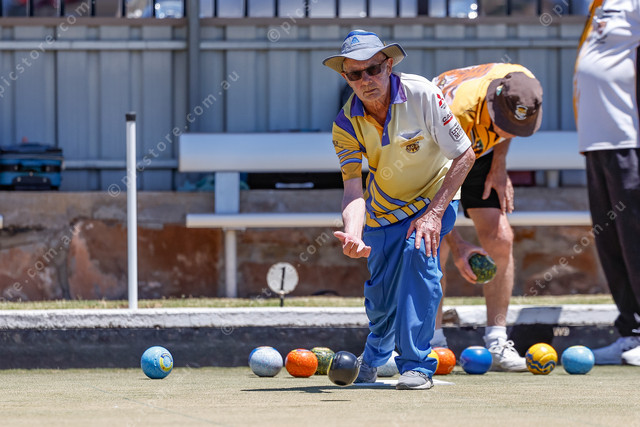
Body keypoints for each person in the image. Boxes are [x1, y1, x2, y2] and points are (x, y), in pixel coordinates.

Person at [323, 30, 475, 390]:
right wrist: (354, 234)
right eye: (355, 74)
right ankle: (374, 358)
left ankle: (417, 365)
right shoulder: (344, 124)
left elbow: (465, 155)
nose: (365, 80)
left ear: (388, 65)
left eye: (373, 69)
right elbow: (353, 191)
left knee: (417, 256)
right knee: (381, 296)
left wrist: (434, 214)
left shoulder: (422, 93)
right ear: (346, 77)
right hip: (384, 208)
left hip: (434, 197)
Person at [431, 63, 543, 372]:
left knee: (501, 238)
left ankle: (496, 339)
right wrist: (459, 247)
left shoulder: (523, 85)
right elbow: (431, 202)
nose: (510, 131)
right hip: (440, 152)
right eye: (505, 123)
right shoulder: (454, 111)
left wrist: (499, 164)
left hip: (481, 147)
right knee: (435, 242)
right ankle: (433, 343)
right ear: (494, 104)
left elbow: (509, 126)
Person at [574, 0, 640, 366]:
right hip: (596, 142)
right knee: (612, 242)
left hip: (630, 140)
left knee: (636, 238)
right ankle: (630, 331)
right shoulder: (598, 5)